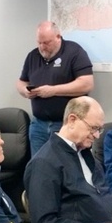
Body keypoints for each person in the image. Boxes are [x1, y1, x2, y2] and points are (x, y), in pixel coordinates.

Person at [16, 21, 94, 155]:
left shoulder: (74, 52)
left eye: (46, 43)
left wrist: (53, 90)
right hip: (38, 125)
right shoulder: (33, 56)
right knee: (39, 167)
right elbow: (21, 81)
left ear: (58, 37)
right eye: (39, 43)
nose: (42, 47)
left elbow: (86, 84)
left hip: (66, 125)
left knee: (65, 167)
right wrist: (24, 91)